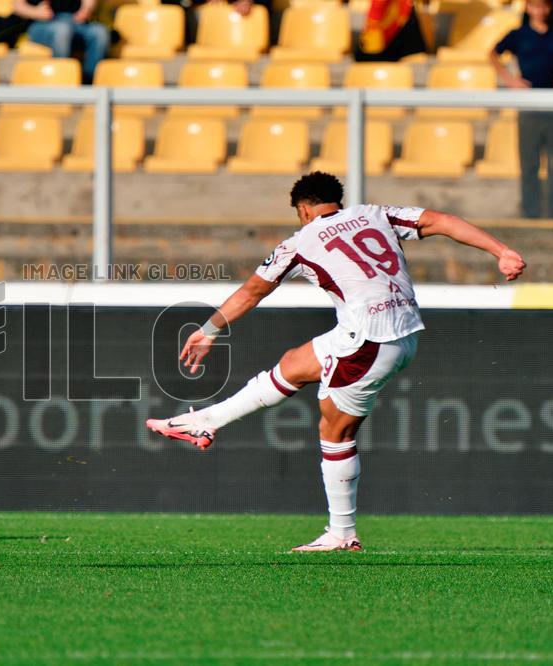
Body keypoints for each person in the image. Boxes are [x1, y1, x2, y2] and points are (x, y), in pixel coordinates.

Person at [147, 172, 527, 552]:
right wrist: (501, 251)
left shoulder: (300, 242)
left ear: (304, 209)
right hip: (400, 331)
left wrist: (209, 330)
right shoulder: (377, 214)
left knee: (335, 433)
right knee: (295, 363)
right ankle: (206, 421)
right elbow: (440, 220)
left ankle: (342, 533)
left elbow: (252, 291)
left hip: (369, 343)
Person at [492, 0, 553, 218]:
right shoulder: (519, 34)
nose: (541, 11)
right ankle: (531, 212)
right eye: (536, 6)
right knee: (529, 162)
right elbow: (493, 53)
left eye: (545, 6)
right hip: (529, 105)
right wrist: (510, 80)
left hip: (552, 103)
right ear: (528, 8)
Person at [13, 0, 109, 84]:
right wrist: (36, 12)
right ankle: (63, 80)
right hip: (41, 23)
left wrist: (86, 9)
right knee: (62, 31)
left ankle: (90, 83)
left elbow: (88, 4)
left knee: (99, 32)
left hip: (75, 21)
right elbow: (18, 6)